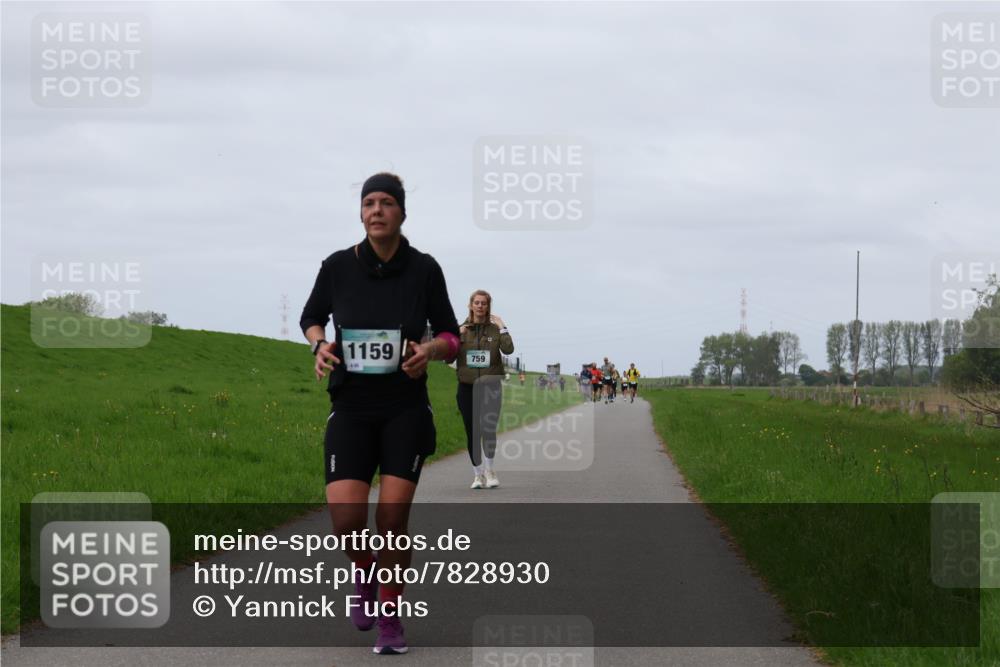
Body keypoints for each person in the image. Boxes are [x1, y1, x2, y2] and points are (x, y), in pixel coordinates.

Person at [300, 172, 460, 656]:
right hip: (350, 405)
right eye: (368, 202)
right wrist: (319, 346)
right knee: (347, 520)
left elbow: (453, 339)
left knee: (391, 520)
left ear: (401, 213)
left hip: (404, 408)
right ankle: (365, 572)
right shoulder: (336, 266)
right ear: (361, 213)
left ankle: (390, 617)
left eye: (386, 202)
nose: (376, 210)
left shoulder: (425, 269)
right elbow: (311, 317)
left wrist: (428, 350)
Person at [456, 289, 514, 490]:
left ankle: (490, 471)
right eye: (477, 303)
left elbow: (508, 350)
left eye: (484, 303)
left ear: (489, 306)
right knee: (472, 431)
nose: (480, 306)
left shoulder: (495, 329)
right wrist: (456, 336)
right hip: (467, 388)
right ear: (471, 305)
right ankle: (477, 475)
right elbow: (447, 357)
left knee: (488, 430)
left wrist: (502, 326)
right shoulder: (462, 329)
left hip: (491, 387)